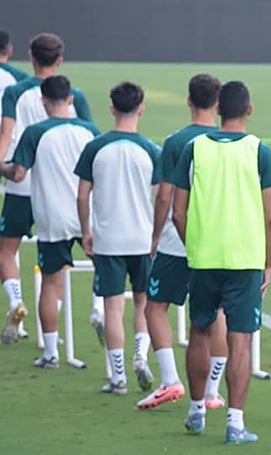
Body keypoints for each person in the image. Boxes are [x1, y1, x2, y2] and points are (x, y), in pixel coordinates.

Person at [170, 80, 271, 444]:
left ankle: (197, 410)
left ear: (217, 108)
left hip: (204, 258)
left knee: (199, 332)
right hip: (245, 259)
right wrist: (268, 262)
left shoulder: (194, 148)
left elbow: (178, 211)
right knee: (240, 340)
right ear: (248, 110)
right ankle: (234, 423)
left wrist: (195, 244)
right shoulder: (260, 151)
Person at [137, 73, 226, 411]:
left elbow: (164, 197)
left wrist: (156, 235)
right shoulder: (227, 139)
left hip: (178, 240)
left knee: (154, 307)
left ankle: (171, 380)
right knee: (214, 314)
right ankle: (213, 391)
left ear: (189, 101)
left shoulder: (176, 141)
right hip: (217, 242)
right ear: (217, 104)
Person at [0, 75, 98, 369]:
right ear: (70, 100)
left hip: (53, 218)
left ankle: (51, 353)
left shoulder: (35, 132)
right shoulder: (90, 131)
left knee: (51, 282)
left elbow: (18, 174)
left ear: (43, 102)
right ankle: (100, 315)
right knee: (106, 274)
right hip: (86, 215)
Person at [75, 81, 161, 395]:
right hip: (141, 238)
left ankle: (119, 377)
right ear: (141, 109)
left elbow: (83, 196)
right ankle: (140, 356)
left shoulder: (95, 147)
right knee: (143, 304)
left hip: (108, 239)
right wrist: (156, 235)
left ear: (112, 109)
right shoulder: (151, 149)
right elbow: (159, 197)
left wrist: (86, 231)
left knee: (113, 308)